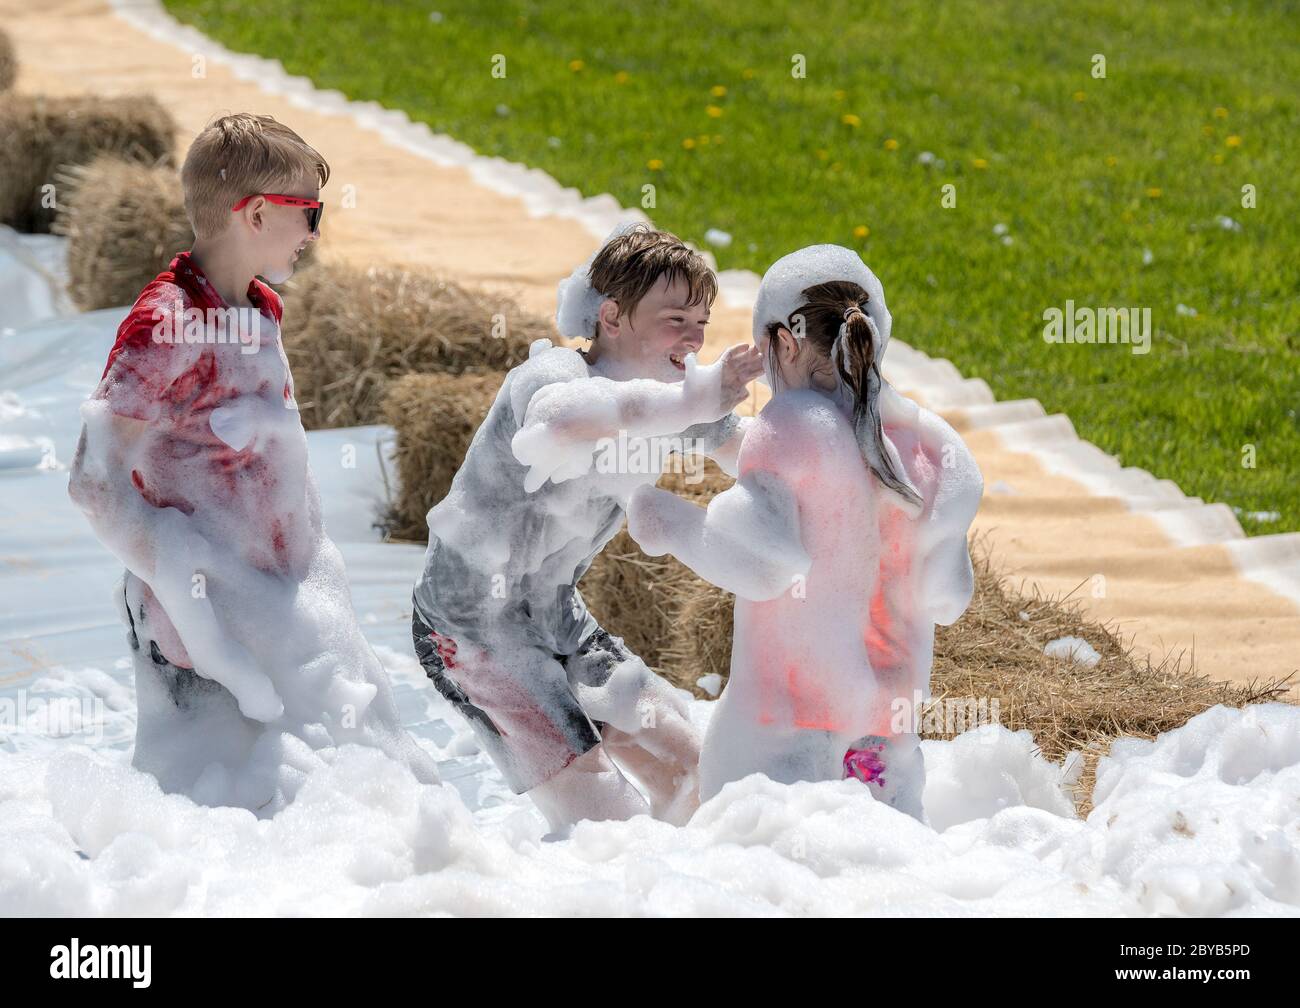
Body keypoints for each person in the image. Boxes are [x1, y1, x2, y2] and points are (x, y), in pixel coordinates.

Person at [68, 113, 438, 815]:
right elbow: (92, 482)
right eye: (310, 213)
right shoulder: (166, 323)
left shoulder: (260, 306)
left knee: (343, 801)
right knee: (208, 819)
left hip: (277, 601)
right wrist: (180, 573)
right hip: (198, 621)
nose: (315, 234)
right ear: (258, 212)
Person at [409, 223, 764, 832]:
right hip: (467, 627)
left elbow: (759, 458)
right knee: (609, 827)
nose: (696, 338)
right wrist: (695, 404)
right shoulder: (552, 380)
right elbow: (563, 422)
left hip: (557, 617)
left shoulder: (671, 400)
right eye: (676, 318)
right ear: (612, 316)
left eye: (702, 322)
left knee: (709, 779)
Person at [627, 245, 982, 821]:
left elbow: (762, 563)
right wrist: (718, 437)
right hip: (885, 734)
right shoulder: (924, 447)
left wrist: (666, 521)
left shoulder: (790, 427)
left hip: (790, 728)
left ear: (784, 343)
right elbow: (946, 596)